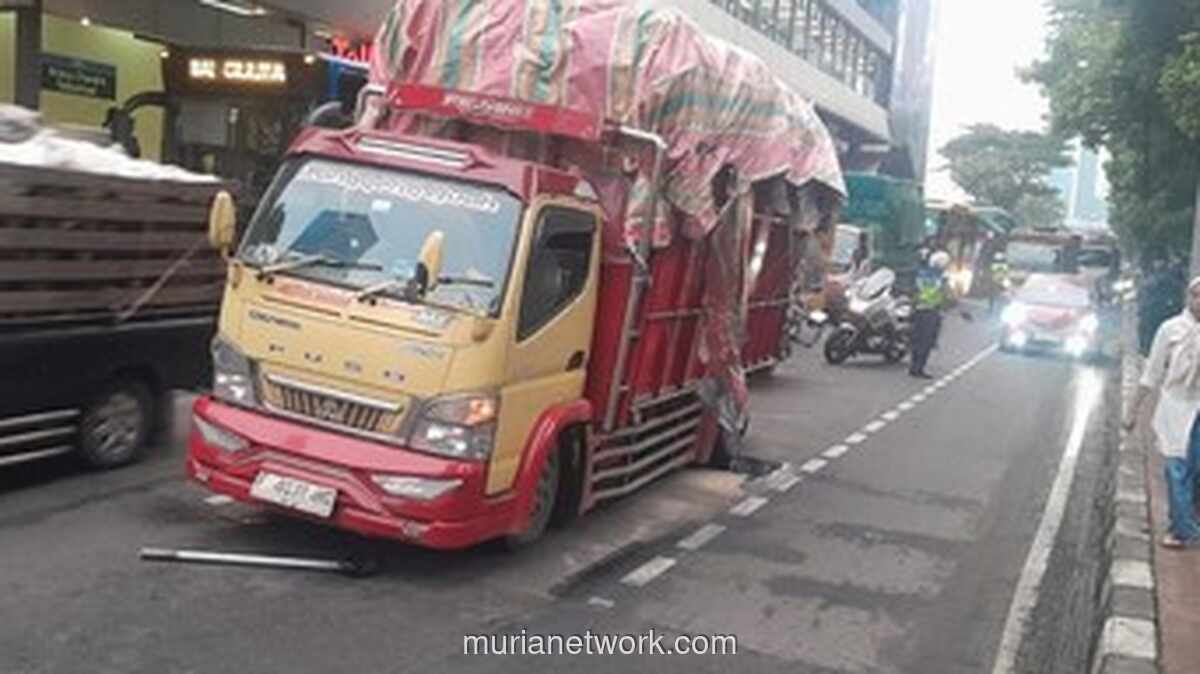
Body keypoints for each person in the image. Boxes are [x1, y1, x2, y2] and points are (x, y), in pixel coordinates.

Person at [1125, 276, 1200, 549]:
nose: (1199, 302)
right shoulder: (1171, 330)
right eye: (1196, 295)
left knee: (1194, 470)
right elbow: (1152, 374)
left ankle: (1183, 522)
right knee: (1176, 469)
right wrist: (1132, 411)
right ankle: (1182, 530)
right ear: (1188, 298)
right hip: (1175, 406)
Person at [910, 250, 952, 379]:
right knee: (927, 341)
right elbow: (946, 295)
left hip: (919, 309)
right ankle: (919, 368)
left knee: (917, 339)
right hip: (931, 311)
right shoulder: (940, 278)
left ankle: (914, 366)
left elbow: (914, 290)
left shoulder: (921, 274)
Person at [989, 251, 1010, 315]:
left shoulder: (996, 265)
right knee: (996, 295)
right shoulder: (1003, 265)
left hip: (997, 281)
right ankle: (994, 308)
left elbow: (1004, 273)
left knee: (997, 295)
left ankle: (994, 308)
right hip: (997, 281)